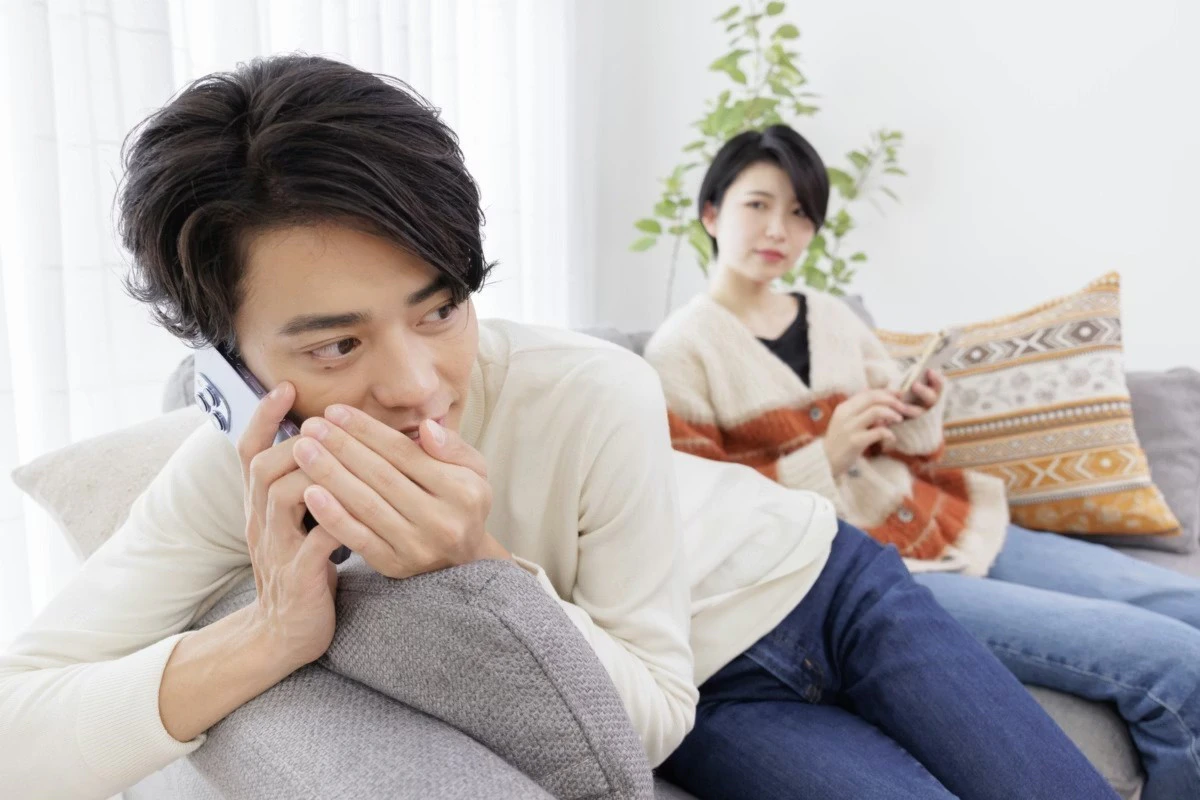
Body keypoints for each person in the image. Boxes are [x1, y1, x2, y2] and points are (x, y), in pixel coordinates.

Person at [0, 56, 1115, 800]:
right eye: (336, 345)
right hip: (706, 678)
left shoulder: (591, 388)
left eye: (440, 309)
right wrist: (268, 638)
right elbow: (16, 728)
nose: (419, 385)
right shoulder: (228, 475)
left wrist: (479, 564)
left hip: (820, 579)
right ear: (229, 367)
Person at [644, 123, 1200, 800]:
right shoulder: (680, 352)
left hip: (956, 522)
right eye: (757, 205)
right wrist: (826, 456)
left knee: (1186, 604)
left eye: (799, 213)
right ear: (711, 213)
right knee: (1174, 662)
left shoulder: (831, 315)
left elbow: (911, 453)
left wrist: (918, 409)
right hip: (874, 575)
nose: (778, 229)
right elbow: (708, 518)